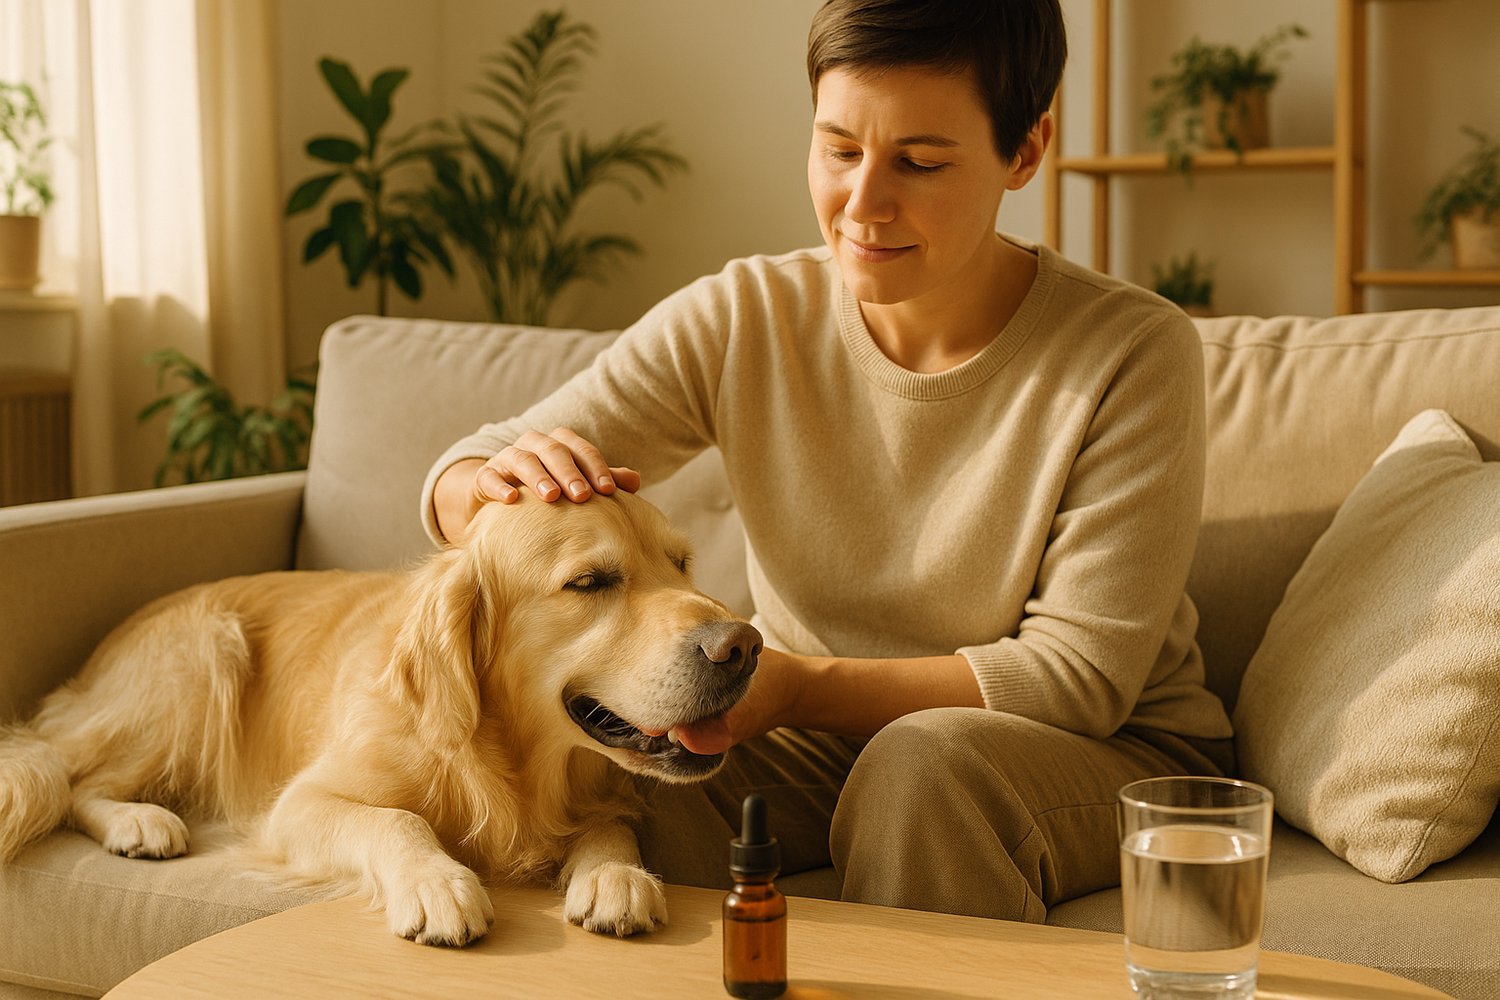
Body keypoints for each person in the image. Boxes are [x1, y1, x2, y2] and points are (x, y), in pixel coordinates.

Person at [424, 0, 1234, 922]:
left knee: (918, 768)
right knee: (611, 792)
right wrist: (493, 487)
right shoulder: (745, 316)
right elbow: (472, 466)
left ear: (1026, 148)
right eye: (839, 149)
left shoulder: (1132, 352)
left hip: (1105, 751)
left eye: (920, 162)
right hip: (816, 736)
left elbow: (1078, 679)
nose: (862, 204)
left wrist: (801, 684)